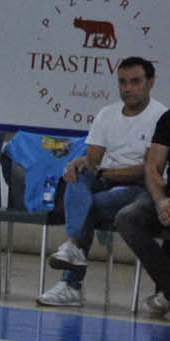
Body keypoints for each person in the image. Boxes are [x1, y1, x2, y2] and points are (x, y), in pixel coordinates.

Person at [38, 57, 165, 308]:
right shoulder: (107, 114)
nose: (127, 88)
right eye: (122, 82)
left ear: (150, 83)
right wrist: (80, 163)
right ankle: (73, 248)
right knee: (76, 176)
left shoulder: (161, 116)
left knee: (87, 204)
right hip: (104, 179)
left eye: (135, 82)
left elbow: (148, 170)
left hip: (140, 189)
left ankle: (71, 283)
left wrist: (104, 173)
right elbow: (93, 161)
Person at [115, 105, 170, 318]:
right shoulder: (168, 119)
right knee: (127, 217)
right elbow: (153, 166)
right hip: (166, 196)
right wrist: (160, 201)